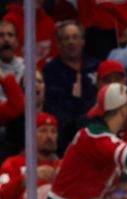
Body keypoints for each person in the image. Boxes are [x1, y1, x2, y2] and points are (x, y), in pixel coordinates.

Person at [42, 20, 100, 154]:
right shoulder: (51, 71)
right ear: (58, 44)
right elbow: (53, 107)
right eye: (66, 38)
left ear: (83, 41)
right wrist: (75, 100)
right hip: (66, 130)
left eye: (75, 37)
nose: (71, 42)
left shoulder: (96, 65)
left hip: (95, 123)